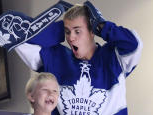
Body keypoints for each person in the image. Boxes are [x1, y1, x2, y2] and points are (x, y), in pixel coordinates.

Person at [13, 1, 143, 115]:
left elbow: (134, 44)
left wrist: (103, 26)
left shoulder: (113, 57)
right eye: (67, 31)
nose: (71, 38)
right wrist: (58, 30)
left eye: (77, 31)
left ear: (92, 31)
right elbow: (19, 39)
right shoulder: (57, 58)